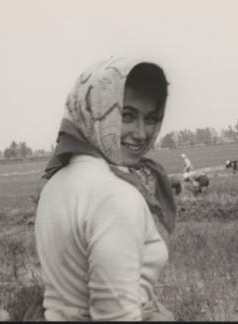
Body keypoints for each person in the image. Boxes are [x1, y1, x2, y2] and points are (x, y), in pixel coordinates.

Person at [34, 57, 176, 321]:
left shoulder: (55, 183)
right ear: (94, 110)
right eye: (127, 116)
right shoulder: (116, 197)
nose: (142, 133)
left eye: (151, 118)